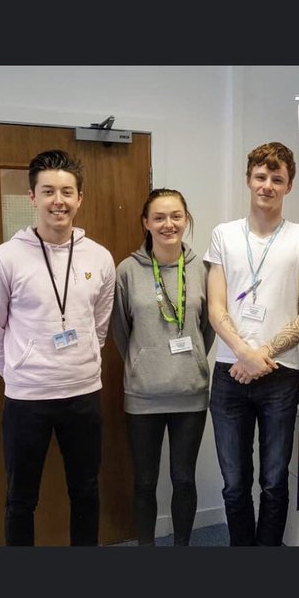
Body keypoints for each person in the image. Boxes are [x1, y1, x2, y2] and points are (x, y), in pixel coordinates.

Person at [0, 149, 116, 545]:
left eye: (67, 192)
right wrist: (23, 371)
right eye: (49, 191)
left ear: (79, 198)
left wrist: (79, 360)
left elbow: (99, 325)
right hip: (26, 401)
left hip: (84, 395)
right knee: (21, 500)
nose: (59, 201)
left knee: (86, 492)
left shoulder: (100, 257)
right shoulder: (3, 259)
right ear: (33, 197)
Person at [205, 141, 299, 546]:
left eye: (277, 179)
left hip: (280, 374)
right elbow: (216, 306)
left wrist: (263, 354)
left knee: (274, 482)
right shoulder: (223, 235)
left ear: (288, 186)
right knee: (235, 485)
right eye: (261, 176)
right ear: (248, 180)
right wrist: (243, 353)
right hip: (229, 373)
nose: (268, 185)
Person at [112, 189, 215, 546]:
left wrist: (193, 360)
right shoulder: (126, 270)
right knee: (144, 481)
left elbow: (208, 327)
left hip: (190, 393)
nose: (168, 224)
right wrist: (144, 361)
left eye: (176, 216)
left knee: (184, 479)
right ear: (146, 223)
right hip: (143, 395)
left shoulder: (203, 269)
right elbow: (120, 331)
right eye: (159, 217)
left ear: (186, 219)